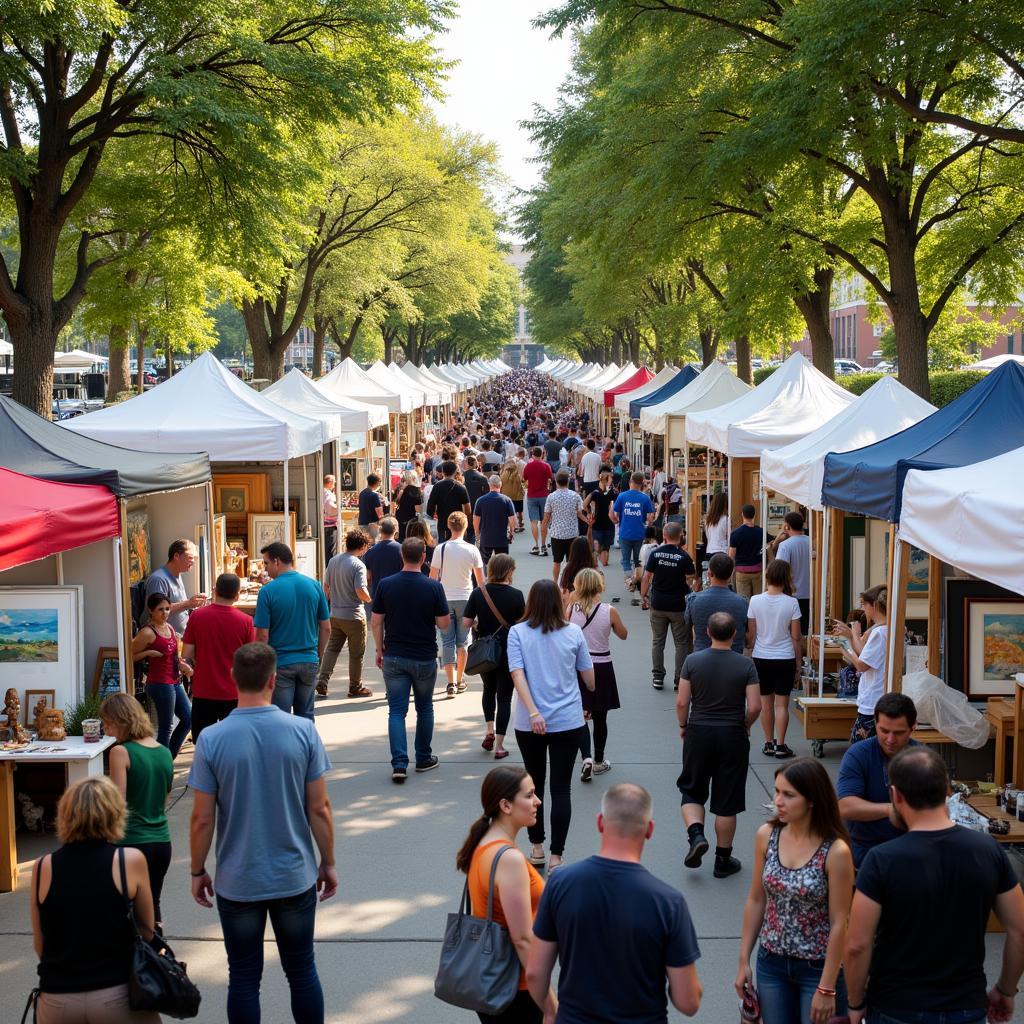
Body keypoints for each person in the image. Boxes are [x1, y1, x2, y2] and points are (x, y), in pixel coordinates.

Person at [189, 642, 336, 1023]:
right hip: (293, 874)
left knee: (242, 977)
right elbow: (319, 808)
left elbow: (202, 819)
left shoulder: (211, 739)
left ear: (233, 678)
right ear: (273, 680)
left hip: (239, 879)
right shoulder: (303, 731)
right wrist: (328, 862)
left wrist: (197, 870)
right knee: (302, 971)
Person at [844, 745, 1024, 1024]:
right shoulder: (987, 850)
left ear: (895, 796)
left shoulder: (881, 860)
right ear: (947, 791)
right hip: (966, 1006)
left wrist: (855, 1004)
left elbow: (857, 944)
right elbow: (1020, 930)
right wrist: (1005, 989)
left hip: (895, 1006)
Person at [526, 783, 703, 1021]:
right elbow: (688, 1002)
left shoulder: (560, 884)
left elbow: (536, 973)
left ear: (600, 822)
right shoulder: (669, 902)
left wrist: (550, 1011)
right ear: (649, 830)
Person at [30, 777, 160, 1024]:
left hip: (57, 996)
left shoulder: (41, 867)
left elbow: (41, 944)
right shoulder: (129, 861)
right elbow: (147, 931)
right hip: (116, 992)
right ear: (115, 813)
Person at [736, 758, 854, 1024]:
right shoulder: (766, 835)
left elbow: (840, 923)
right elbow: (756, 900)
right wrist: (744, 960)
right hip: (771, 962)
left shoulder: (835, 851)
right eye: (777, 791)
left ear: (812, 799)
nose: (778, 800)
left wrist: (827, 986)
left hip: (818, 966)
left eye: (788, 795)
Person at [456, 767, 557, 1024]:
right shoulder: (509, 859)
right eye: (530, 795)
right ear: (506, 805)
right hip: (517, 989)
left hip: (493, 983)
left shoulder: (483, 843)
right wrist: (551, 1007)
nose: (538, 801)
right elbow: (522, 939)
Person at [508, 579, 595, 871]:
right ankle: (557, 855)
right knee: (561, 789)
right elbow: (590, 680)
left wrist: (534, 712)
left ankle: (536, 847)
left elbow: (517, 675)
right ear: (560, 602)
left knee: (534, 785)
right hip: (568, 720)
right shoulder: (573, 633)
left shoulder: (517, 632)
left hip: (529, 722)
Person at [677, 612, 761, 878]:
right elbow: (756, 705)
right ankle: (723, 860)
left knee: (692, 789)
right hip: (732, 734)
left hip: (699, 731)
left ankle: (696, 835)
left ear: (708, 633)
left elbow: (682, 702)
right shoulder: (745, 665)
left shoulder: (692, 661)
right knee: (727, 799)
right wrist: (746, 723)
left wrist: (683, 726)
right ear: (734, 634)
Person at [372, 537, 451, 782]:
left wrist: (378, 648)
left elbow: (376, 621)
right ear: (424, 558)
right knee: (425, 707)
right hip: (424, 655)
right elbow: (444, 624)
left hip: (394, 654)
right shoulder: (433, 586)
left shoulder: (386, 585)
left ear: (401, 557)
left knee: (396, 711)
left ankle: (399, 763)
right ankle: (423, 757)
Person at [101, 693, 173, 933]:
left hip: (131, 841)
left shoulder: (121, 752)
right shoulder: (163, 751)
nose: (106, 728)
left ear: (120, 720)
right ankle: (158, 959)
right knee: (152, 905)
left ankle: (131, 965)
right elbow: (164, 800)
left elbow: (118, 804)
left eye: (107, 722)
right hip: (161, 841)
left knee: (124, 909)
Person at [836, 691, 919, 868]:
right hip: (867, 848)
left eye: (899, 733)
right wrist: (891, 810)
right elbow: (845, 806)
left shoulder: (923, 757)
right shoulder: (858, 754)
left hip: (913, 847)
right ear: (875, 723)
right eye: (884, 731)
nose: (890, 740)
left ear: (913, 728)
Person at [253, 542, 330, 722]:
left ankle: (284, 751)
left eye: (266, 563)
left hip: (281, 662)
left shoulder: (267, 591)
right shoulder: (314, 585)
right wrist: (318, 654)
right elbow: (326, 627)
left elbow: (262, 635)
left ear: (277, 562)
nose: (265, 569)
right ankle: (307, 750)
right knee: (306, 717)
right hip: (309, 659)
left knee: (281, 719)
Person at [463, 554, 526, 760]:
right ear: (508, 571)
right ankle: (499, 745)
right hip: (508, 651)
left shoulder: (478, 593)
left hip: (485, 652)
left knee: (488, 690)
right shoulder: (516, 595)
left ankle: (489, 729)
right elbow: (522, 625)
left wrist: (478, 625)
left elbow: (466, 623)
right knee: (505, 697)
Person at [182, 572, 255, 741]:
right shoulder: (246, 621)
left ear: (215, 591)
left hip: (203, 690)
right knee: (233, 742)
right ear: (237, 595)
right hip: (234, 692)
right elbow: (250, 658)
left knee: (203, 742)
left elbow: (186, 653)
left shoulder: (197, 616)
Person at [569, 568, 626, 782]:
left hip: (578, 666)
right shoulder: (608, 610)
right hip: (602, 665)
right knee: (601, 717)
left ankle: (586, 757)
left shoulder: (571, 610)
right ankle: (600, 759)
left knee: (580, 714)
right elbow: (623, 634)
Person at [747, 559, 802, 759]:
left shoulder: (754, 600)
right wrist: (798, 662)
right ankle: (781, 744)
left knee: (766, 704)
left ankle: (768, 742)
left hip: (761, 656)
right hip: (785, 656)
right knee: (781, 705)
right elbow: (796, 636)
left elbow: (752, 634)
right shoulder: (792, 602)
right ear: (786, 578)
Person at [430, 511, 484, 698]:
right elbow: (480, 582)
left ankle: (451, 682)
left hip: (444, 599)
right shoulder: (472, 550)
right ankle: (460, 679)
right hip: (466, 599)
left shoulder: (441, 549)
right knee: (463, 641)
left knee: (447, 641)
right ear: (466, 526)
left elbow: (432, 578)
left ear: (449, 526)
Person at [132, 592, 192, 758]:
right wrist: (148, 652)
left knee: (188, 719)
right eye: (160, 609)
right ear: (151, 611)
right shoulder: (147, 632)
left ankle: (167, 759)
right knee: (166, 727)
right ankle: (162, 764)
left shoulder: (170, 628)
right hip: (159, 683)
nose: (165, 613)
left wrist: (183, 665)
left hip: (174, 680)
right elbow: (128, 655)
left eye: (167, 609)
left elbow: (173, 656)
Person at [316, 528, 373, 700]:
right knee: (356, 653)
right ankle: (355, 686)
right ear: (362, 546)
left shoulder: (333, 561)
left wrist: (331, 601)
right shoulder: (358, 565)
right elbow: (360, 590)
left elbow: (325, 586)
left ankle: (323, 680)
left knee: (332, 648)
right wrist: (370, 600)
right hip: (354, 615)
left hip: (336, 613)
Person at [640, 521, 697, 691]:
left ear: (664, 536)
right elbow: (692, 575)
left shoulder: (656, 554)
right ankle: (679, 679)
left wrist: (643, 596)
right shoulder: (684, 556)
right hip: (678, 605)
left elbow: (646, 577)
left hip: (658, 603)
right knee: (681, 643)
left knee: (658, 641)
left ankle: (657, 677)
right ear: (681, 536)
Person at [832, 584, 889, 742]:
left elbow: (862, 664)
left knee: (860, 747)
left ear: (875, 605)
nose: (863, 609)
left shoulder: (879, 633)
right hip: (878, 696)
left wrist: (848, 647)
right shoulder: (884, 629)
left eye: (864, 604)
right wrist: (851, 636)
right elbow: (865, 654)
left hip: (873, 699)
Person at [684, 553, 749, 657]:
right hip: (734, 660)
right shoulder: (742, 602)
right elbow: (747, 635)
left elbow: (686, 631)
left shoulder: (694, 600)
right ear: (731, 574)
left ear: (709, 573)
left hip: (702, 659)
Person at [143, 538, 207, 634]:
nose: (193, 562)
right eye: (190, 557)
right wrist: (188, 603)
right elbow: (157, 612)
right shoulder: (158, 579)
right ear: (176, 556)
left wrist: (194, 605)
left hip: (182, 634)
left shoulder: (178, 575)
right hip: (167, 638)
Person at [611, 471, 656, 592]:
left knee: (625, 560)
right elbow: (650, 517)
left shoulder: (622, 496)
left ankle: (630, 581)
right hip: (639, 533)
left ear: (631, 481)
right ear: (642, 484)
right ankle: (635, 581)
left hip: (624, 532)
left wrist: (619, 520)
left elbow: (614, 514)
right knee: (638, 560)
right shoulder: (645, 498)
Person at [542, 470, 588, 584]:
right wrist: (587, 521)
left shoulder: (551, 497)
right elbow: (580, 513)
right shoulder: (575, 496)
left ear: (556, 482)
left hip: (557, 533)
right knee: (571, 561)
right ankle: (569, 582)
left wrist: (543, 528)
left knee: (556, 561)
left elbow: (547, 516)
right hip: (572, 533)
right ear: (568, 482)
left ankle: (555, 582)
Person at [773, 511, 811, 635]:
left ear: (787, 526)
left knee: (791, 632)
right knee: (805, 629)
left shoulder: (785, 545)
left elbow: (779, 570)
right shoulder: (812, 542)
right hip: (810, 592)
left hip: (791, 593)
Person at [474, 474, 518, 566]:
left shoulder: (480, 500)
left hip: (486, 538)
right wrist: (512, 532)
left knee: (484, 564)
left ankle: (486, 579)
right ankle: (501, 579)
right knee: (502, 564)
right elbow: (512, 519)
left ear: (489, 485)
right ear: (500, 485)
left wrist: (477, 534)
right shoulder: (507, 500)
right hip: (501, 538)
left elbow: (476, 519)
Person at [427, 460, 472, 543]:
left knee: (443, 547)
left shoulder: (437, 486)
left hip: (443, 522)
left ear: (443, 472)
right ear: (455, 472)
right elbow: (468, 508)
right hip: (458, 523)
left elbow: (430, 506)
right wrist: (465, 519)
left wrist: (432, 514)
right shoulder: (461, 487)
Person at [362, 516, 404, 603]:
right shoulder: (403, 550)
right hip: (398, 593)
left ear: (380, 531)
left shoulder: (370, 552)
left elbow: (368, 577)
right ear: (395, 530)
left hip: (378, 595)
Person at [729, 503, 766, 598]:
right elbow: (770, 544)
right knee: (758, 600)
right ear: (754, 515)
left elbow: (731, 556)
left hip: (741, 571)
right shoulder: (761, 532)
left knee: (744, 601)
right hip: (758, 570)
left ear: (742, 515)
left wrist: (730, 573)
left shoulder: (735, 533)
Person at [523, 447, 554, 555]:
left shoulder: (529, 465)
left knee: (534, 522)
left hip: (532, 495)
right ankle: (543, 545)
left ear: (532, 454)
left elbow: (524, 478)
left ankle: (536, 545)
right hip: (544, 495)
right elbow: (550, 478)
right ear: (542, 455)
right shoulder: (546, 466)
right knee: (544, 521)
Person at [582, 469, 616, 567]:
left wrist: (589, 512)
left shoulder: (595, 493)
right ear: (606, 481)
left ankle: (595, 561)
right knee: (606, 548)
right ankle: (602, 561)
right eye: (610, 480)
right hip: (609, 525)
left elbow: (584, 504)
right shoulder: (612, 493)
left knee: (596, 547)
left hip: (597, 524)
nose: (611, 482)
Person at [558, 536, 596, 608]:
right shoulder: (593, 568)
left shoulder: (567, 568)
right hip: (590, 604)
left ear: (572, 550)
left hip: (572, 605)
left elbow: (562, 587)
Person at [463, 454, 489, 543]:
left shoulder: (462, 477)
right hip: (478, 507)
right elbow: (486, 494)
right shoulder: (483, 477)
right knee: (477, 530)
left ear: (466, 464)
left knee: (467, 530)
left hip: (465, 507)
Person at [393, 469, 423, 540]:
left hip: (400, 516)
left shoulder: (402, 489)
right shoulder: (416, 490)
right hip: (410, 518)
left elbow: (396, 502)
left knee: (401, 538)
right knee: (410, 538)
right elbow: (418, 509)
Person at [499, 457, 525, 533]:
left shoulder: (503, 475)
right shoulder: (517, 475)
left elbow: (500, 485)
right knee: (519, 511)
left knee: (508, 512)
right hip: (517, 496)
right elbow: (520, 485)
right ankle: (519, 524)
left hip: (506, 496)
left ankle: (508, 526)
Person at [357, 473, 386, 538]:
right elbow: (380, 514)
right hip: (373, 524)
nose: (380, 484)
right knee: (373, 544)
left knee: (365, 544)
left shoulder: (362, 493)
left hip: (362, 522)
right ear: (376, 482)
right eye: (380, 481)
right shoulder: (374, 495)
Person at [703, 492, 730, 558]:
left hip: (709, 550)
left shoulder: (708, 519)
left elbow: (708, 536)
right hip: (722, 550)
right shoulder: (726, 519)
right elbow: (729, 536)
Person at [322, 474, 339, 559]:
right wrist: (339, 509)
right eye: (334, 482)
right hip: (330, 527)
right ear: (330, 482)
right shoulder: (327, 494)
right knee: (331, 553)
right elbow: (331, 509)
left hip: (325, 527)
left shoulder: (322, 492)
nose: (335, 484)